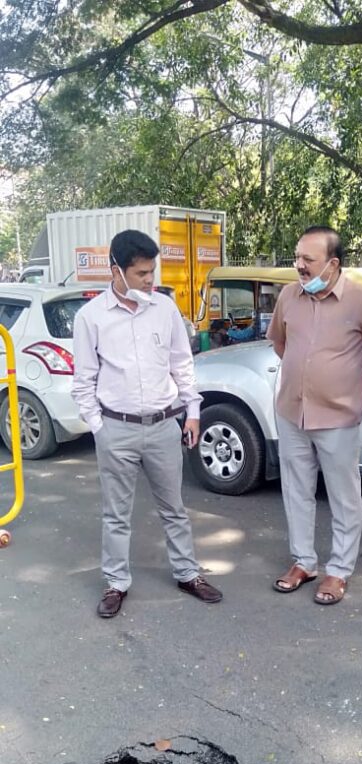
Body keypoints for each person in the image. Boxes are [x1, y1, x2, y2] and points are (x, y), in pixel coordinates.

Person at [72, 229, 222, 618]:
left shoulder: (164, 309)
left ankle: (188, 573)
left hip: (162, 427)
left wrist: (191, 411)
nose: (149, 281)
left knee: (174, 507)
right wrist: (98, 428)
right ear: (116, 271)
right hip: (115, 429)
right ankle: (116, 582)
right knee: (116, 514)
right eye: (140, 274)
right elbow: (83, 380)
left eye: (151, 272)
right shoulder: (91, 318)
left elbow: (181, 364)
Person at [268, 225, 362, 604]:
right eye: (297, 257)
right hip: (292, 412)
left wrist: (344, 376)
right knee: (296, 491)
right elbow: (279, 343)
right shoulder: (289, 296)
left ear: (333, 263)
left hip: (337, 417)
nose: (299, 266)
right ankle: (304, 562)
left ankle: (338, 570)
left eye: (309, 259)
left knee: (343, 496)